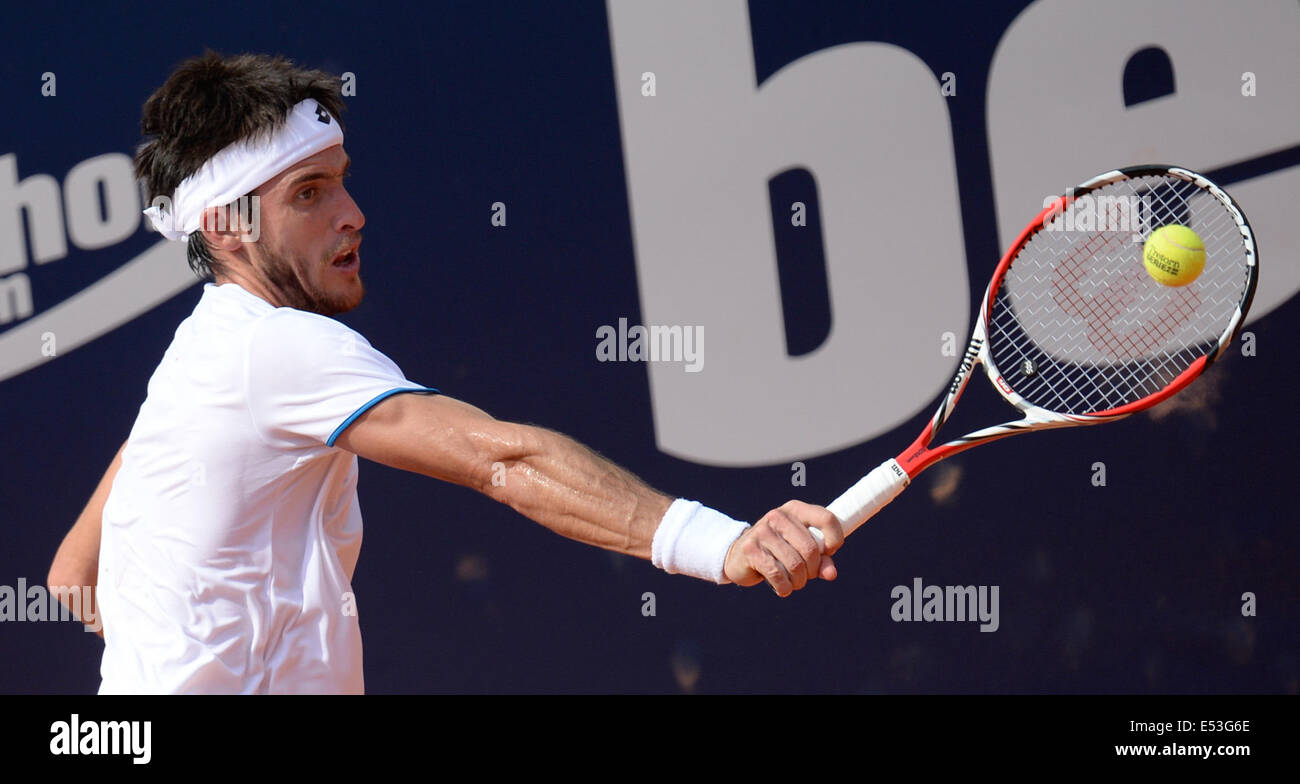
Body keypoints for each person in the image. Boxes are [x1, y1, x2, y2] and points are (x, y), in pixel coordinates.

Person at [47, 52, 843, 694]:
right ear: (227, 227)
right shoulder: (276, 349)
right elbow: (502, 460)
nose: (351, 213)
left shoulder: (194, 367)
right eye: (310, 194)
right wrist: (720, 542)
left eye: (342, 180)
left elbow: (73, 577)